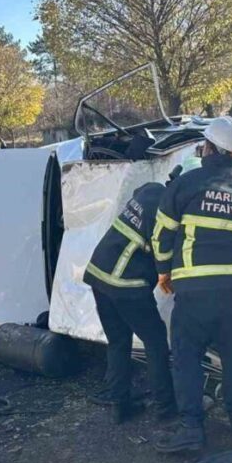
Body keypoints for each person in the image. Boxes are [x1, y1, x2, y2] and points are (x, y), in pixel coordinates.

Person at [150, 117, 232, 452]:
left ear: (208, 148)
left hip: (193, 292)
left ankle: (192, 428)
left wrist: (163, 272)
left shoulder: (186, 184)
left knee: (187, 358)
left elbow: (161, 235)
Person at [84, 180, 177, 424]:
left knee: (118, 341)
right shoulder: (168, 214)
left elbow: (138, 193)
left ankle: (120, 405)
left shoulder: (151, 191)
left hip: (98, 274)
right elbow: (164, 254)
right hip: (126, 284)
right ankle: (165, 407)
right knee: (156, 341)